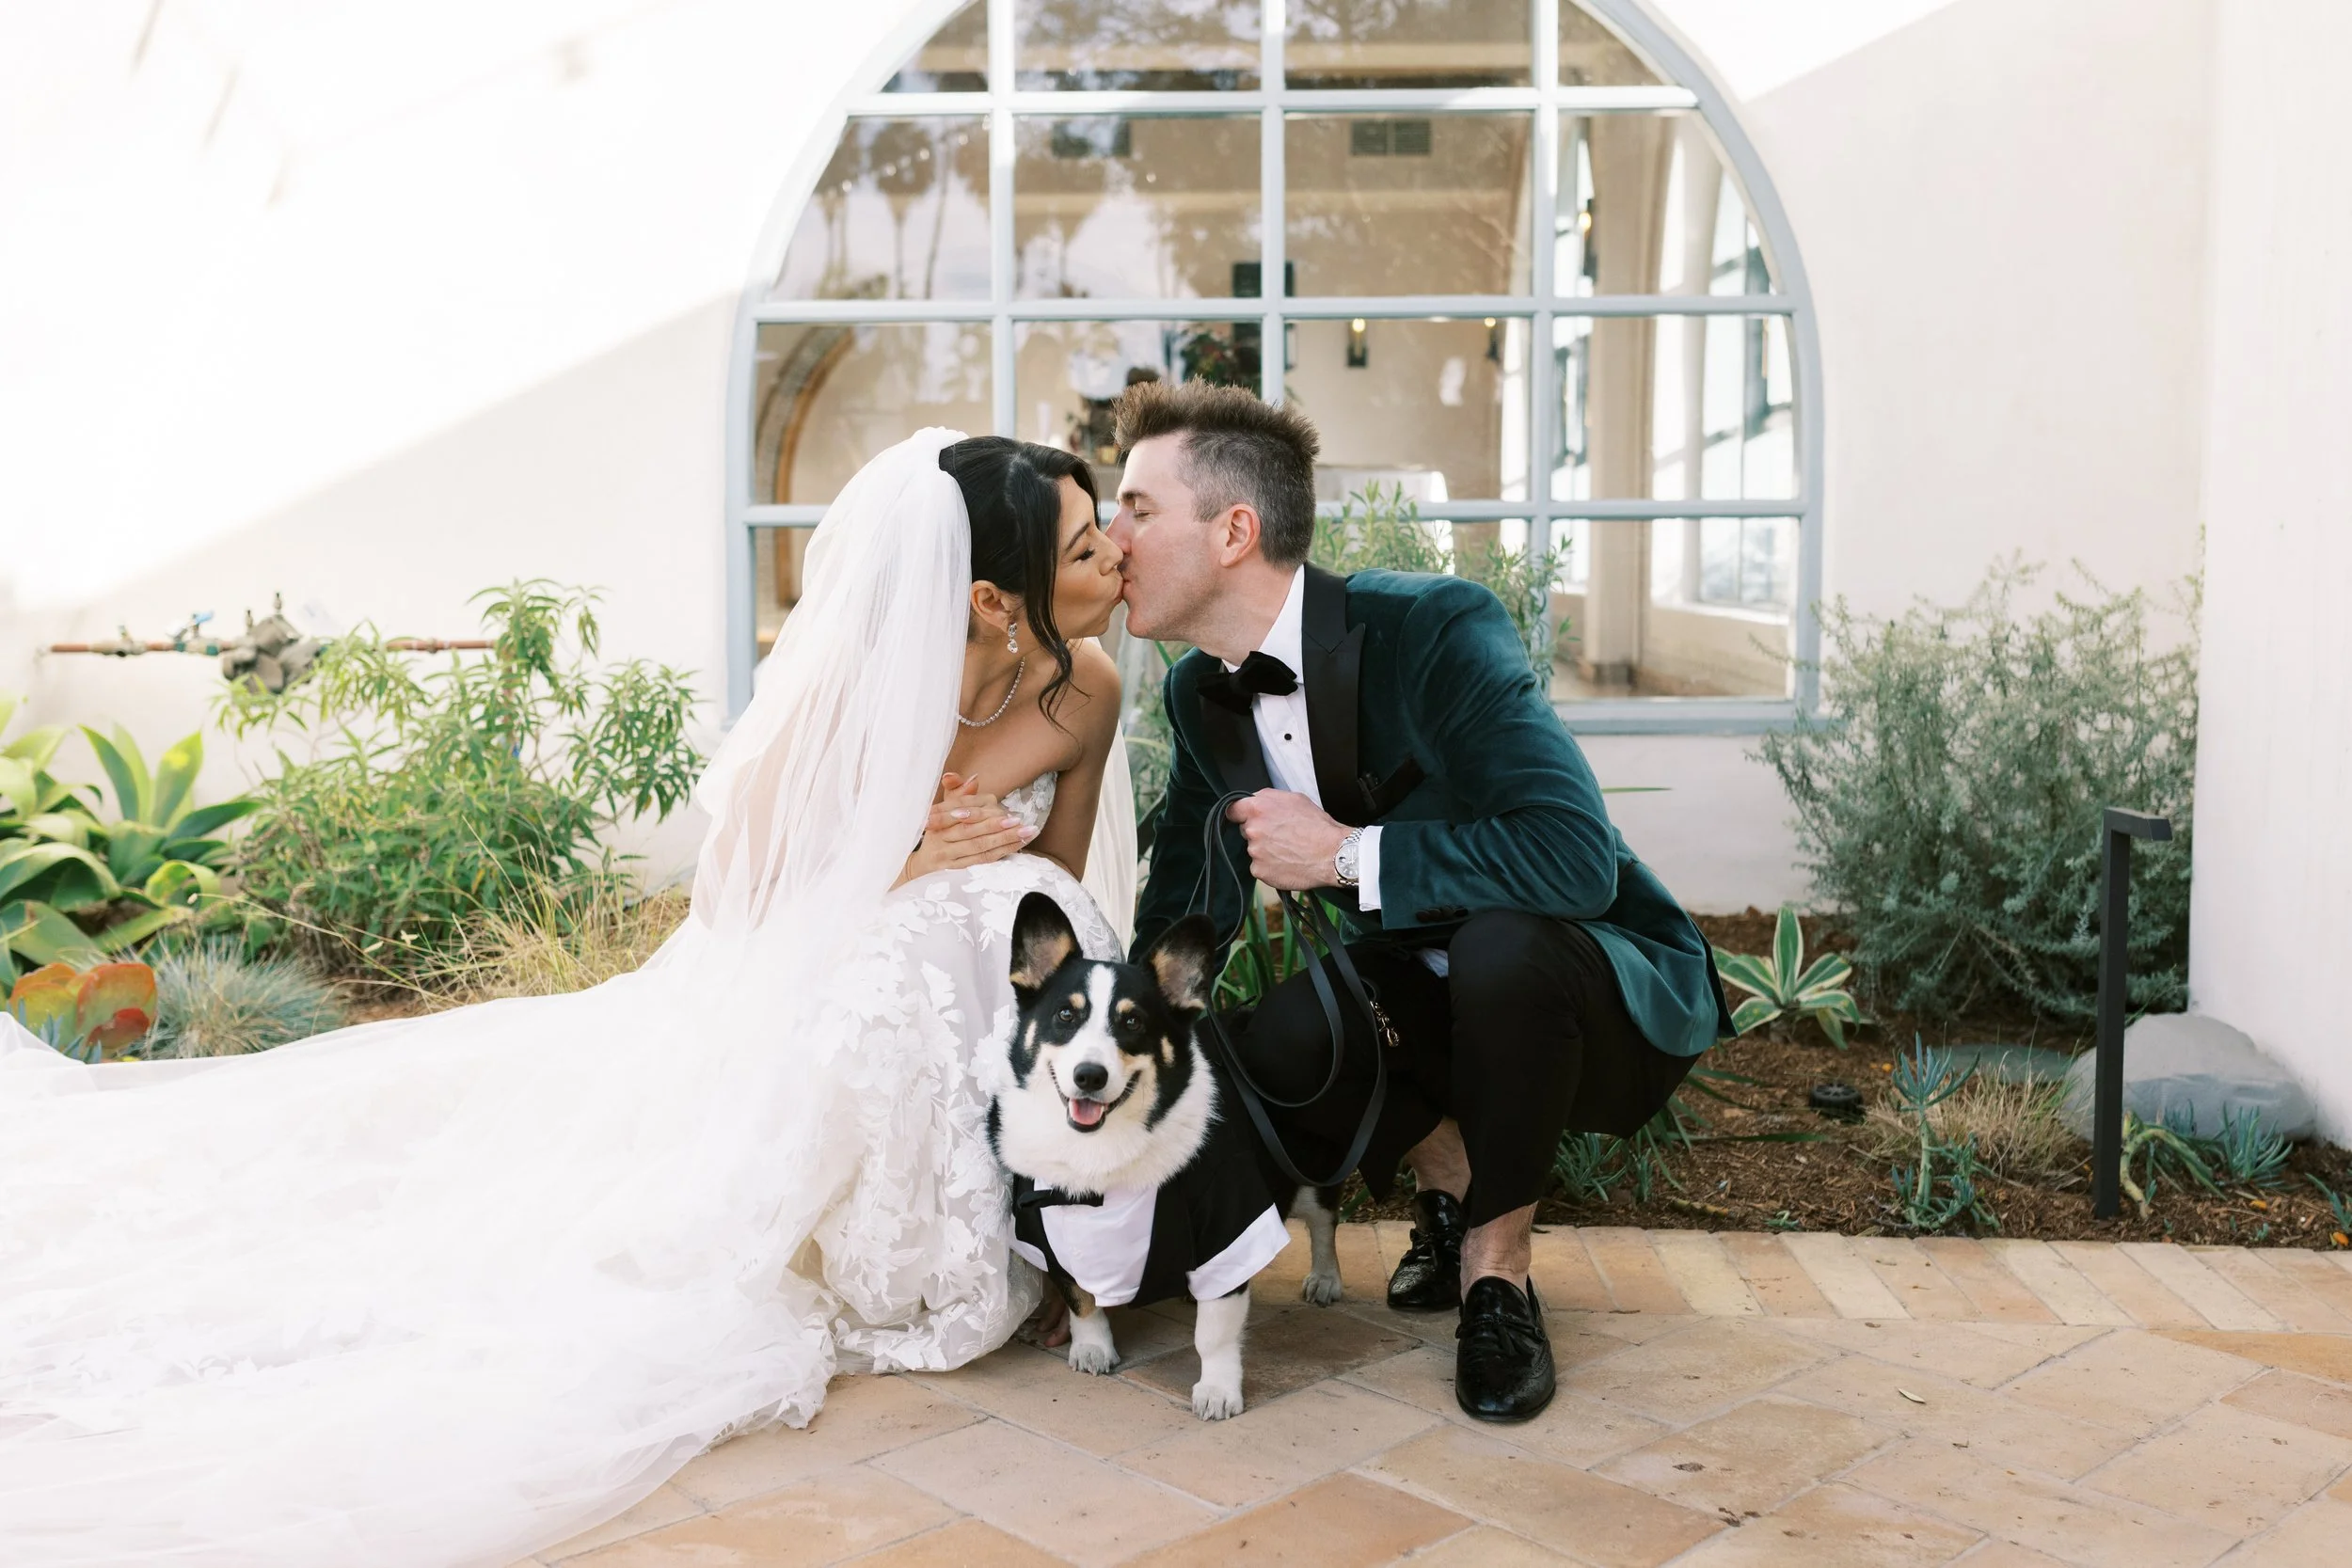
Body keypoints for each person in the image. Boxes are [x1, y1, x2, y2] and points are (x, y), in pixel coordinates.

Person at [0, 431, 1134, 1566]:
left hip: (961, 980)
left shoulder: (1085, 686)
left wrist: (968, 890)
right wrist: (905, 858)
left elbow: (1062, 901)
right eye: (1086, 548)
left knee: (993, 911)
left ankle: (1006, 1219)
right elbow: (740, 893)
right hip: (802, 972)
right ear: (992, 598)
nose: (1115, 560)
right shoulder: (863, 685)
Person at [1112, 380, 1733, 1424]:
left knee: (1501, 947)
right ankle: (1445, 1185)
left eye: (1134, 506)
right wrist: (1111, 1050)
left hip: (1591, 990)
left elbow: (1573, 856)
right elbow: (1182, 910)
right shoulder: (1195, 692)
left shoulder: (1434, 627)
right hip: (1414, 997)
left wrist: (1348, 853)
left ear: (1233, 530)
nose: (1109, 531)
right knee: (1276, 1048)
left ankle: (1497, 1273)